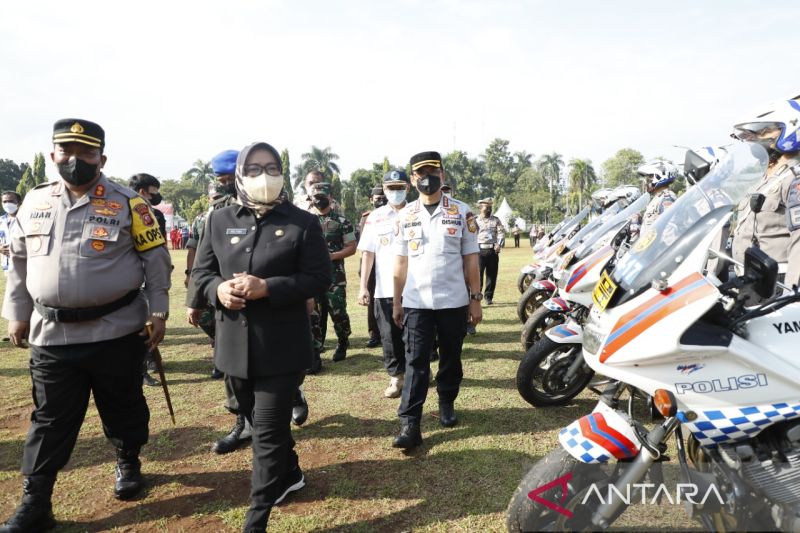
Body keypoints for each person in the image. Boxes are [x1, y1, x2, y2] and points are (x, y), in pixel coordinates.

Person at [0, 118, 171, 532]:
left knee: (123, 404)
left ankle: (128, 462)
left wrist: (158, 312)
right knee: (50, 419)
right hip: (51, 333)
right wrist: (16, 313)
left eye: (87, 153)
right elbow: (19, 264)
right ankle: (36, 501)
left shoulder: (130, 203)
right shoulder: (33, 202)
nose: (75, 160)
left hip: (116, 329)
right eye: (67, 151)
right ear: (53, 154)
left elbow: (156, 262)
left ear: (102, 158)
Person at [192, 141, 331, 531]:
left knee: (265, 434)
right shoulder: (218, 220)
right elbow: (201, 274)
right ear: (239, 175)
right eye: (253, 169)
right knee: (258, 418)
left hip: (283, 348)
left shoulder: (303, 222)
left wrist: (267, 287)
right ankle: (290, 473)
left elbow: (319, 278)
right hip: (234, 348)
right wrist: (217, 291)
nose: (263, 176)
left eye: (271, 168)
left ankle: (256, 520)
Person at [391, 151, 482, 449]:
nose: (426, 177)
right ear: (413, 179)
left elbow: (471, 260)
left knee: (451, 357)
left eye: (432, 171)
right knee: (415, 361)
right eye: (420, 173)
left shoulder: (461, 211)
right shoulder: (405, 215)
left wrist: (475, 299)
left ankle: (446, 401)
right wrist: (396, 301)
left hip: (453, 300)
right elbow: (400, 263)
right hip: (417, 302)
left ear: (442, 176)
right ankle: (410, 423)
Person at [186, 149, 259, 453]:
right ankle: (243, 422)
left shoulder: (264, 204)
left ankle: (293, 396)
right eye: (222, 179)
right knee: (231, 361)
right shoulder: (212, 214)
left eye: (232, 178)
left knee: (273, 357)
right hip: (223, 296)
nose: (227, 184)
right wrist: (195, 295)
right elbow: (199, 253)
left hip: (260, 294)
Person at [731, 95, 800, 287]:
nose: (753, 140)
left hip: (777, 282)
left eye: (761, 132)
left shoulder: (794, 178)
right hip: (750, 278)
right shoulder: (764, 178)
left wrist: (792, 292)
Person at [358, 171, 410, 398]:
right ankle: (396, 378)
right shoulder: (375, 217)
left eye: (399, 187)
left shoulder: (417, 212)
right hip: (384, 289)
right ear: (384, 189)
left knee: (416, 334)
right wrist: (363, 287)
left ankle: (419, 371)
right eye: (391, 187)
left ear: (408, 187)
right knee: (389, 337)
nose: (395, 192)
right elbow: (368, 253)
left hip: (415, 288)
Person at [128, 173, 168, 388]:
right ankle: (141, 369)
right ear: (143, 191)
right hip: (133, 282)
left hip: (152, 279)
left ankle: (151, 360)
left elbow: (158, 249)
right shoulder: (122, 210)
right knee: (138, 329)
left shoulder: (156, 216)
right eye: (154, 192)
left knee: (153, 325)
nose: (156, 196)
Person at [309, 182, 356, 363]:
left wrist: (332, 256)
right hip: (312, 276)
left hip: (335, 275)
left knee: (338, 311)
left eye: (322, 196)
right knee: (315, 312)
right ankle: (317, 346)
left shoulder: (342, 222)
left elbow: (351, 248)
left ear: (330, 197)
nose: (319, 200)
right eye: (316, 197)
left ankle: (343, 342)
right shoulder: (307, 221)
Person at [358, 185, 386, 349]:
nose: (381, 200)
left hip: (388, 262)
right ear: (371, 200)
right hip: (371, 263)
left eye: (383, 197)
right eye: (377, 198)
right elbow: (365, 246)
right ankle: (374, 334)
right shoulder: (366, 218)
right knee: (371, 299)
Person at [475, 197, 505, 307]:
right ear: (481, 208)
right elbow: (471, 235)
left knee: (492, 276)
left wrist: (499, 244)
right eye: (486, 207)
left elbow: (501, 232)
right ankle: (477, 297)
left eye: (490, 207)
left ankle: (488, 297)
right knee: (478, 276)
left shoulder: (496, 220)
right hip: (479, 251)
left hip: (492, 250)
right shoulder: (475, 220)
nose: (489, 209)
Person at [637, 160, 678, 238]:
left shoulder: (667, 199)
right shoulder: (658, 197)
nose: (646, 182)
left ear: (659, 176)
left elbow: (669, 231)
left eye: (649, 177)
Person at [0, 190, 22, 274]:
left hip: (24, 264)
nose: (7, 204)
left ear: (19, 203)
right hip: (7, 265)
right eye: (4, 201)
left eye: (11, 201)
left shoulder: (26, 219)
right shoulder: (0, 221)